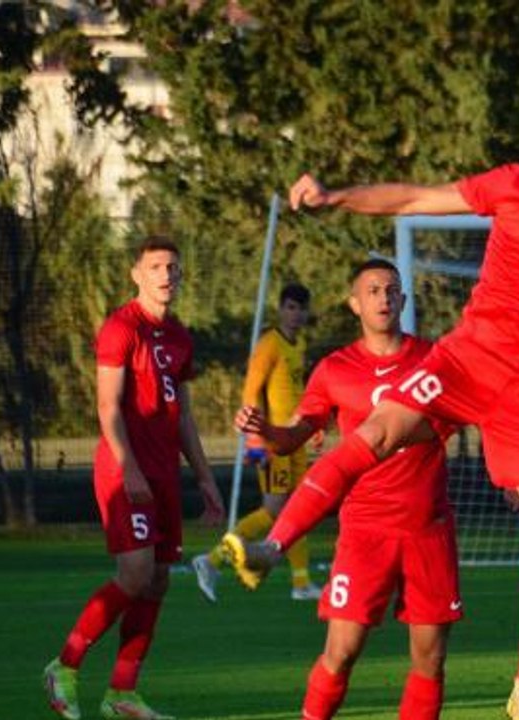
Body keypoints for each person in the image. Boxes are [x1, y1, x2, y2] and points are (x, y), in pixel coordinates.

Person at [223, 133, 519, 720]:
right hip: (467, 360)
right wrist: (335, 195)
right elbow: (415, 200)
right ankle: (271, 545)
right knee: (375, 433)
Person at [234, 259, 460, 720]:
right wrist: (268, 432)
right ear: (354, 303)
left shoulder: (433, 360)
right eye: (372, 290)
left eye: (390, 289)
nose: (382, 297)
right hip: (365, 530)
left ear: (403, 300)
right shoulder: (334, 369)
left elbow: (475, 415)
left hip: (427, 529)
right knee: (341, 650)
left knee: (430, 659)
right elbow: (297, 434)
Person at [43, 237, 225, 720]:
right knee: (136, 573)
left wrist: (204, 479)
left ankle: (121, 692)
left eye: (173, 267)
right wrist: (128, 467)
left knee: (159, 580)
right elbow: (107, 407)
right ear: (136, 274)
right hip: (125, 470)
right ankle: (64, 666)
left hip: (164, 475)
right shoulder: (121, 329)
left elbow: (183, 417)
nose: (166, 275)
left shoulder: (181, 337)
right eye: (156, 267)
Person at [192, 283, 323, 602]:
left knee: (298, 507)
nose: (296, 315)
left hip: (295, 439)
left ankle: (302, 582)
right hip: (275, 440)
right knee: (273, 511)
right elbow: (251, 393)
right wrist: (255, 439)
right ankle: (211, 561)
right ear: (280, 309)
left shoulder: (298, 343)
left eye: (301, 309)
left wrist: (312, 425)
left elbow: (298, 391)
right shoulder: (269, 344)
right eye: (290, 308)